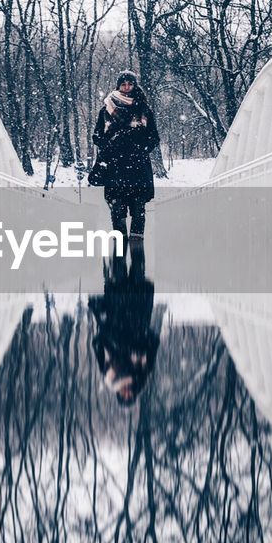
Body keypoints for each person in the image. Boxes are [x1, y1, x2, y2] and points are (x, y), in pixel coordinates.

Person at [88, 243, 160, 406]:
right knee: (138, 267)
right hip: (137, 312)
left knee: (118, 266)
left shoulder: (109, 374)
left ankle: (119, 222)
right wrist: (139, 344)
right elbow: (154, 341)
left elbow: (97, 343)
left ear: (118, 394)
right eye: (130, 396)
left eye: (123, 396)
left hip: (117, 313)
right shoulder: (144, 371)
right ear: (135, 393)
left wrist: (108, 334)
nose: (127, 392)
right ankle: (138, 223)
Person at [91, 70, 160, 238]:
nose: (127, 87)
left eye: (130, 84)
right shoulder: (106, 109)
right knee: (117, 210)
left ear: (135, 85)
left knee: (138, 209)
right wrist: (110, 146)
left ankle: (138, 253)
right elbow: (97, 136)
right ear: (118, 86)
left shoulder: (144, 109)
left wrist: (141, 149)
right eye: (123, 84)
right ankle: (119, 253)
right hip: (115, 167)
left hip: (138, 167)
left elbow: (153, 137)